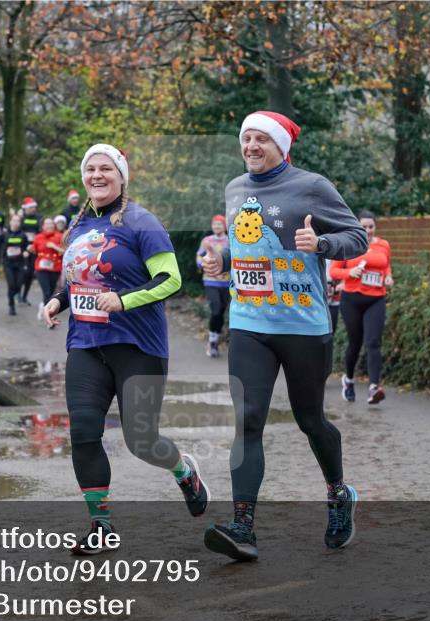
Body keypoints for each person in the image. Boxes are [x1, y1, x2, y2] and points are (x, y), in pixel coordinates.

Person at [200, 111, 367, 561]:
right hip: (250, 322)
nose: (251, 146)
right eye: (246, 138)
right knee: (248, 418)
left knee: (309, 419)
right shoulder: (235, 189)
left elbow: (357, 238)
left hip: (303, 324)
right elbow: (245, 244)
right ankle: (242, 526)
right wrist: (224, 261)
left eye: (261, 139)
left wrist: (324, 246)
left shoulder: (311, 186)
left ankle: (338, 494)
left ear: (280, 146)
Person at [42, 143, 210, 555]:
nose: (97, 176)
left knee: (141, 440)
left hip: (138, 345)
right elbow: (77, 280)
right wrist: (57, 301)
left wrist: (124, 300)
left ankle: (184, 471)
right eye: (90, 169)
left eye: (106, 169)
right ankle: (101, 526)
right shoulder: (78, 226)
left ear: (121, 176)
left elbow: (170, 280)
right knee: (83, 433)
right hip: (86, 343)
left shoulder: (142, 222)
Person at [330, 210, 392, 405]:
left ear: (375, 227)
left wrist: (389, 276)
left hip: (376, 298)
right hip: (352, 299)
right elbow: (334, 271)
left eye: (371, 227)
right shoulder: (348, 245)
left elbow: (386, 266)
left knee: (373, 342)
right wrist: (350, 272)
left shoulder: (383, 245)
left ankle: (374, 387)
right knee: (355, 344)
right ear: (357, 226)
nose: (367, 230)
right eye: (363, 227)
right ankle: (348, 380)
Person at [196, 214, 231, 358]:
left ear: (224, 226)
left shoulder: (230, 240)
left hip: (226, 282)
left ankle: (215, 340)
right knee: (215, 309)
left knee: (221, 312)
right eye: (215, 224)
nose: (217, 226)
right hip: (211, 281)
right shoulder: (207, 240)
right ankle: (211, 341)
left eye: (219, 224)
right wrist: (201, 265)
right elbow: (199, 255)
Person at [0, 213, 28, 316]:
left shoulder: (23, 235)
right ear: (10, 222)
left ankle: (14, 295)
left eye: (18, 221)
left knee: (19, 284)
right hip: (8, 263)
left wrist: (25, 252)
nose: (16, 223)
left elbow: (26, 247)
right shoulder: (4, 235)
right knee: (11, 284)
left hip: (19, 263)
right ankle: (11, 306)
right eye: (14, 220)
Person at [33, 217, 64, 309]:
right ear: (42, 226)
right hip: (41, 269)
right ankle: (49, 315)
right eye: (47, 224)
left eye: (51, 223)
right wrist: (28, 250)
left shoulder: (59, 236)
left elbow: (65, 251)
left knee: (51, 292)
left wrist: (54, 246)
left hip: (55, 268)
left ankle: (43, 306)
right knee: (46, 292)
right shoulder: (38, 237)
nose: (49, 225)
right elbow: (35, 251)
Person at [19, 197, 41, 305]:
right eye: (31, 207)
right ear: (26, 208)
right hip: (22, 248)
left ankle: (24, 296)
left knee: (30, 274)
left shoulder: (39, 217)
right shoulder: (21, 218)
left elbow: (41, 232)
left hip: (34, 248)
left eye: (34, 207)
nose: (33, 209)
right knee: (23, 273)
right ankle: (18, 293)